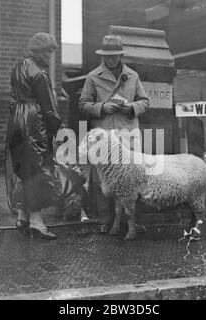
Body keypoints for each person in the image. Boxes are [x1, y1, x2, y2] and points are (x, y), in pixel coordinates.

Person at [79, 34, 150, 233]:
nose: (111, 59)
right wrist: (102, 107)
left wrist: (132, 108)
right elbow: (83, 104)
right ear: (102, 56)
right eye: (107, 56)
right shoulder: (93, 77)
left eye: (115, 56)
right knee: (103, 178)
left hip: (128, 133)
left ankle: (131, 221)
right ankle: (105, 220)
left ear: (121, 55)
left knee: (131, 176)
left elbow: (144, 101)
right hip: (104, 135)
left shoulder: (132, 76)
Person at [6, 32, 64, 239]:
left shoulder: (19, 66)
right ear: (39, 51)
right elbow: (48, 108)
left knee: (23, 169)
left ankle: (22, 216)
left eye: (52, 51)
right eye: (48, 51)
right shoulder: (40, 74)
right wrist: (58, 128)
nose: (50, 55)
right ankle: (37, 222)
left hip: (16, 120)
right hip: (33, 122)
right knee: (38, 170)